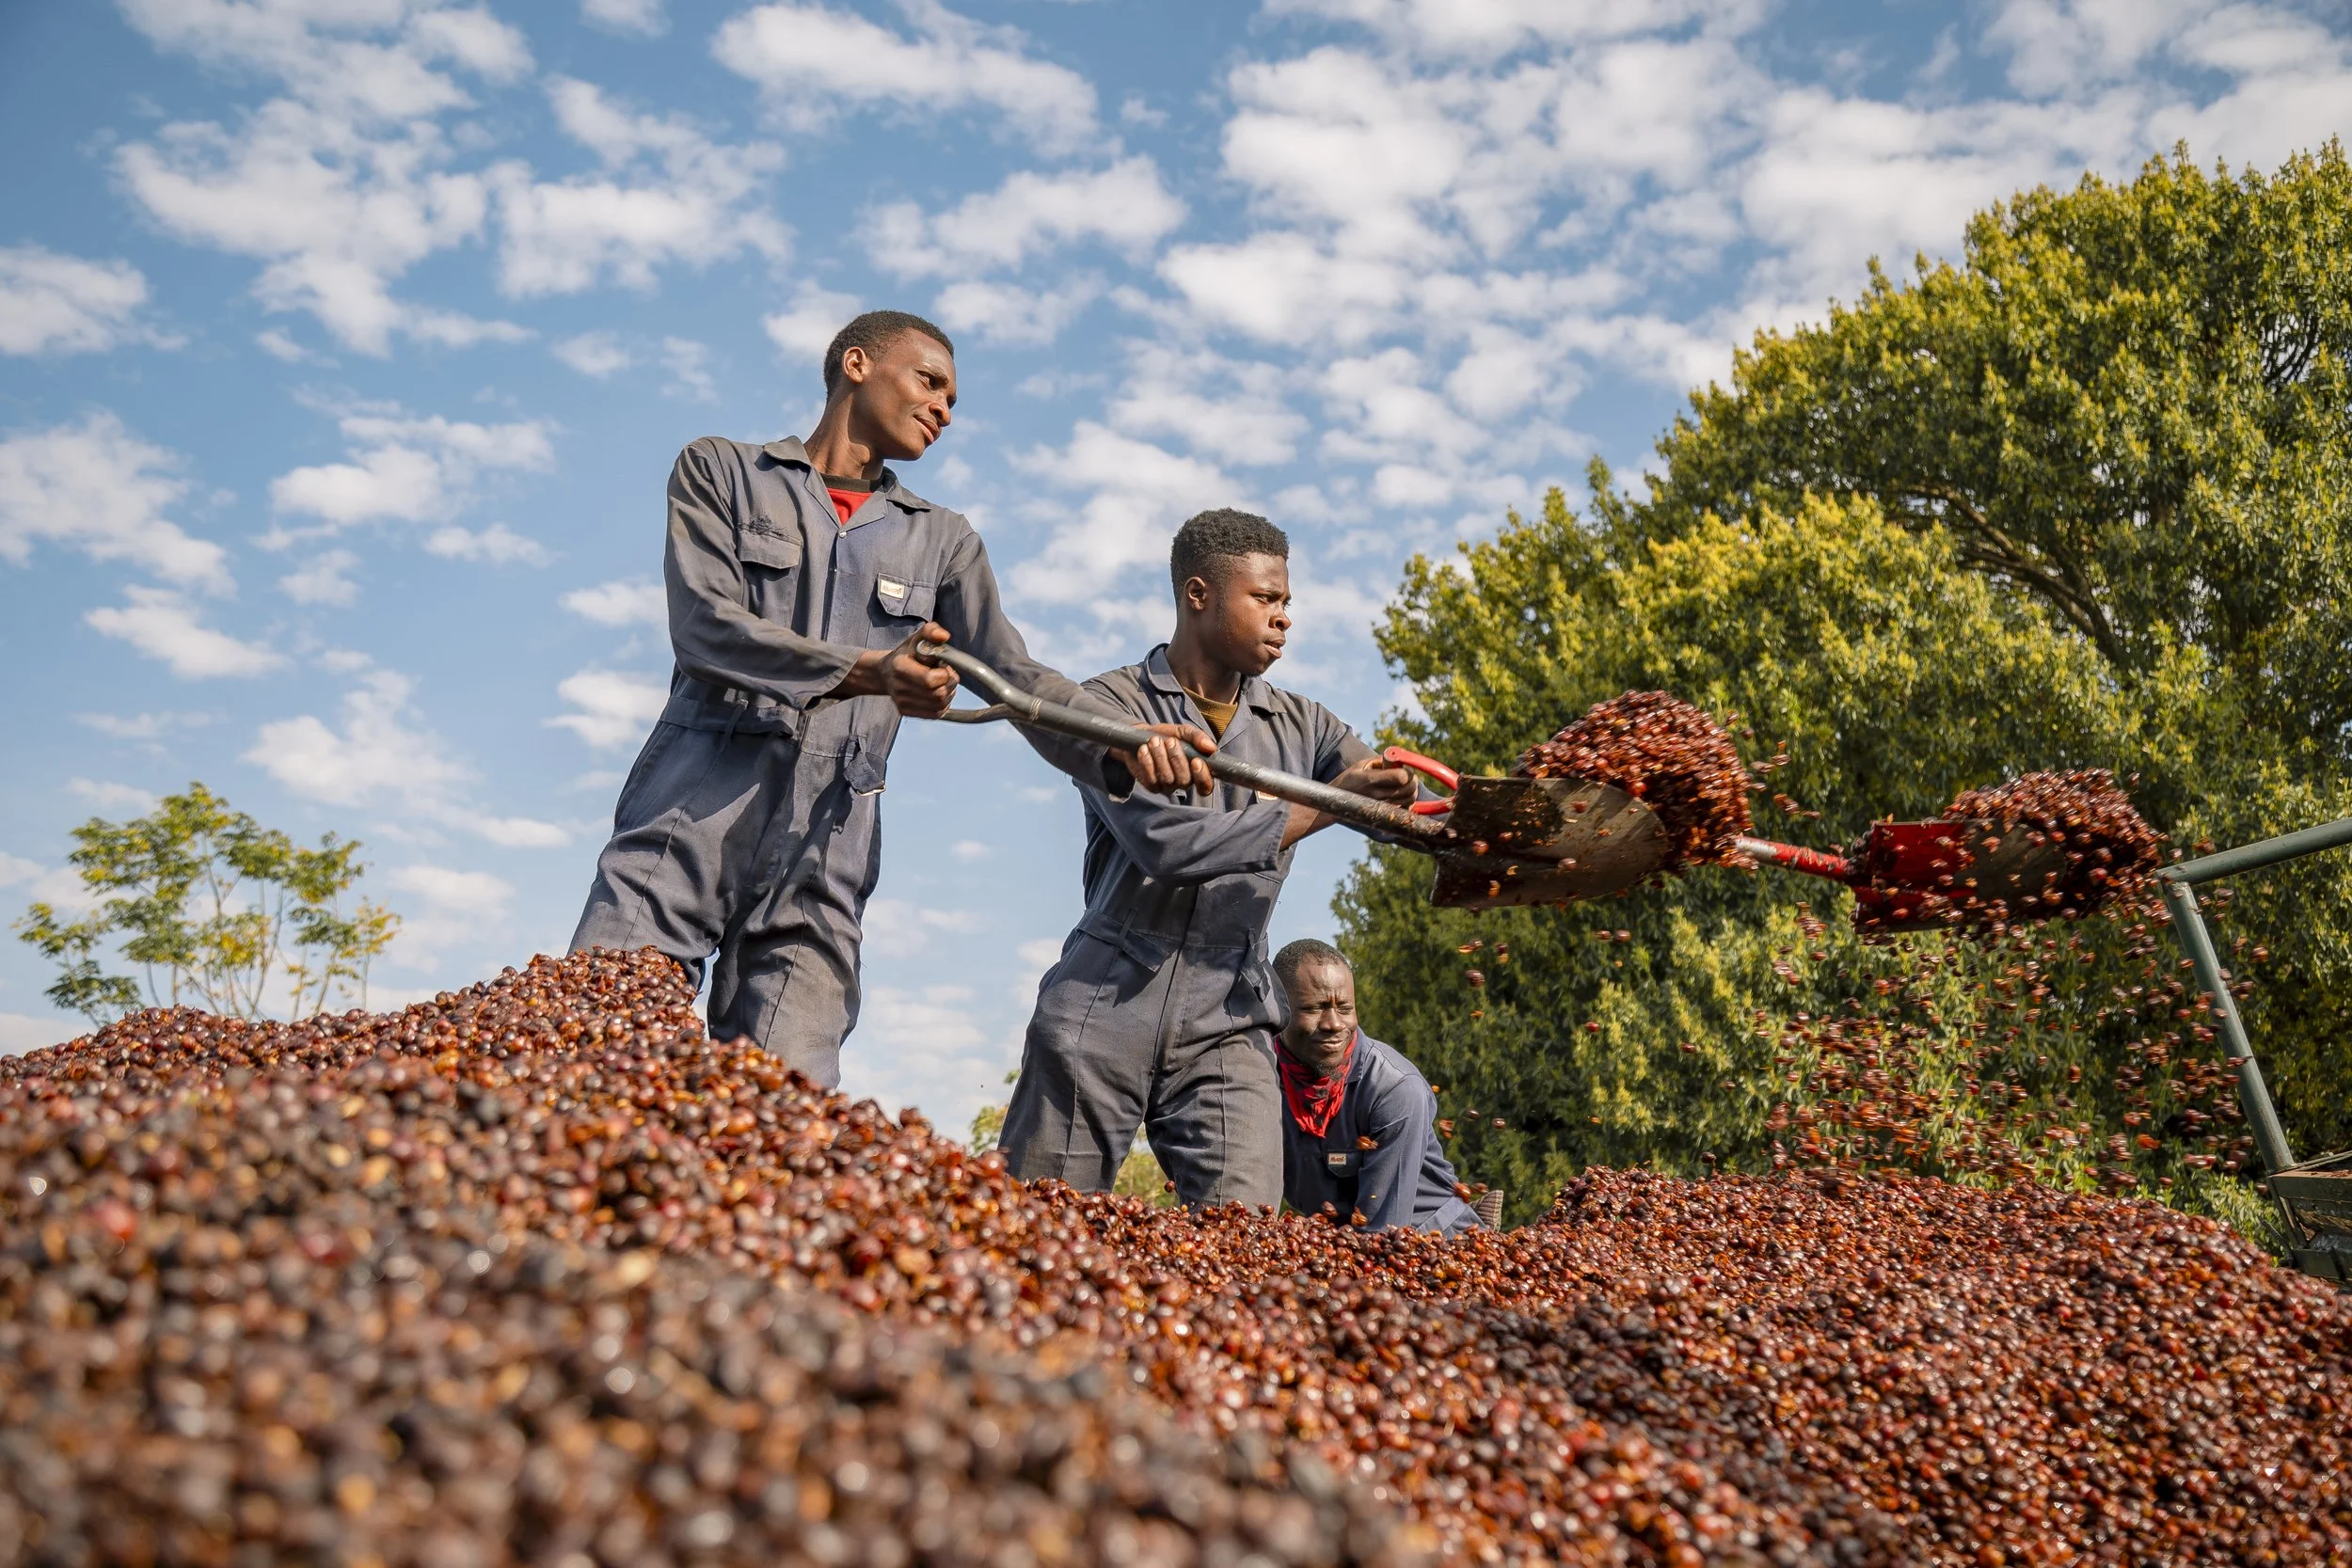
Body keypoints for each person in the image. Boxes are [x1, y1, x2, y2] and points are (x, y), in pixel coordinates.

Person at [570, 310, 1212, 1088]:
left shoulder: (942, 540)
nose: (944, 408)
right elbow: (705, 628)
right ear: (856, 364)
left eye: (953, 400)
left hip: (821, 860)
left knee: (788, 1114)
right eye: (930, 381)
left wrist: (1123, 740)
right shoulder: (725, 473)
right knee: (599, 1053)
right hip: (686, 823)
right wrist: (873, 671)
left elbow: (1016, 677)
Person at [998, 508, 1415, 1207]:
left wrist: (1422, 802)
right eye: (1265, 598)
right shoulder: (1115, 706)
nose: (1284, 618)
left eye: (1287, 602)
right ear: (1199, 595)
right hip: (1106, 1003)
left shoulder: (1304, 723)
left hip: (1228, 1017)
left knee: (1246, 1243)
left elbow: (1386, 800)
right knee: (1037, 1233)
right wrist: (1328, 803)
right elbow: (1164, 844)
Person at [1269, 938, 1477, 1234]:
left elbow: (1383, 1235)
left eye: (1344, 1008)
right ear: (1278, 1007)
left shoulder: (1394, 1089)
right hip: (1342, 1245)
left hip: (1430, 1245)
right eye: (1314, 1008)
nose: (1334, 1024)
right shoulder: (1260, 1078)